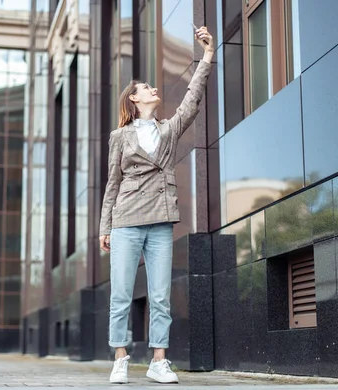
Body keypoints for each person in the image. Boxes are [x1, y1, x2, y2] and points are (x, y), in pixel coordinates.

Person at [98, 25, 214, 384]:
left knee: (161, 294)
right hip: (126, 221)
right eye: (146, 87)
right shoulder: (120, 137)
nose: (153, 89)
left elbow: (193, 97)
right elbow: (112, 183)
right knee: (120, 292)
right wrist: (105, 227)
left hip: (161, 219)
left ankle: (158, 361)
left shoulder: (169, 129)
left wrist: (208, 54)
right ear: (134, 99)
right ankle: (120, 358)